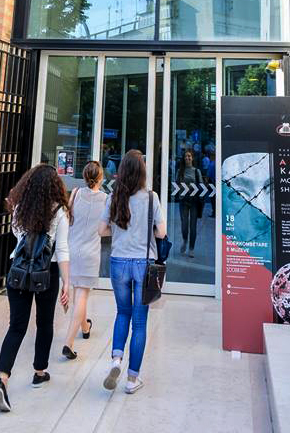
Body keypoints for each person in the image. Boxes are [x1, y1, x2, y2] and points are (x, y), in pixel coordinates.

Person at [0, 164, 71, 413]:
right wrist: (67, 282)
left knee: (16, 326)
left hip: (18, 271)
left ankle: (2, 379)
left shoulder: (19, 207)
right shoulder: (59, 211)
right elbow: (62, 249)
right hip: (46, 272)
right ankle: (39, 371)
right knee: (44, 323)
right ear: (54, 186)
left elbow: (18, 237)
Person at [103, 150, 165, 395]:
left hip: (118, 261)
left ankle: (116, 359)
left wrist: (120, 232)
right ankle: (132, 379)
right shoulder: (151, 197)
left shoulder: (114, 197)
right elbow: (161, 232)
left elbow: (101, 231)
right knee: (139, 322)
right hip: (143, 264)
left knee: (122, 313)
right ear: (142, 172)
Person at [60, 161, 108, 360]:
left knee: (79, 294)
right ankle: (68, 343)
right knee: (81, 296)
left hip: (72, 249)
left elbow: (68, 218)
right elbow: (107, 227)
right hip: (90, 253)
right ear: (100, 177)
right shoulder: (105, 199)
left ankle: (85, 327)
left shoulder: (76, 193)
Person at [176, 148, 205, 257]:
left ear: (192, 158)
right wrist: (182, 189)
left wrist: (192, 188)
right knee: (184, 224)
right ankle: (184, 240)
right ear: (183, 158)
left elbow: (201, 185)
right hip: (183, 200)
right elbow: (176, 185)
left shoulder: (197, 171)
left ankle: (191, 248)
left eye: (189, 156)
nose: (187, 158)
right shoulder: (180, 171)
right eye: (185, 156)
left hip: (194, 201)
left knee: (193, 226)